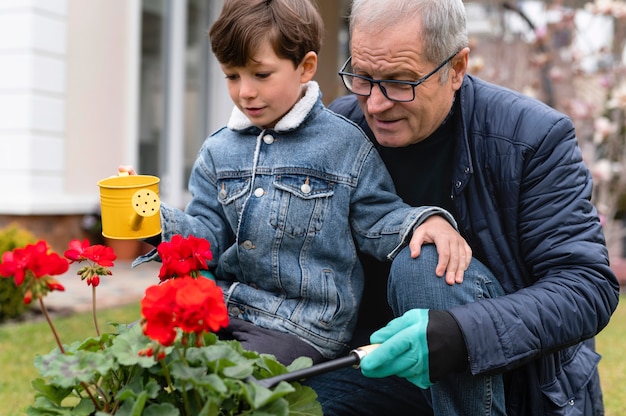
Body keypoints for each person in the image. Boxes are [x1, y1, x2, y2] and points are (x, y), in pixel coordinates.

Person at [304, 0, 621, 415]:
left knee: (425, 263)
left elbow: (586, 287)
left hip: (502, 381)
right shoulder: (338, 131)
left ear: (456, 68)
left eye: (400, 82)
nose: (376, 104)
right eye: (363, 77)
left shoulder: (531, 139)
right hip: (367, 366)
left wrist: (459, 335)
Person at [127, 0, 470, 366]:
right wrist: (151, 216)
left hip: (302, 325)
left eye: (261, 75)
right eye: (232, 75)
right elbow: (205, 236)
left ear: (305, 67)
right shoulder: (217, 150)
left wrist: (424, 221)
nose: (245, 91)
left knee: (239, 378)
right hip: (226, 308)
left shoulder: (343, 144)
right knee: (149, 361)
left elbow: (379, 217)